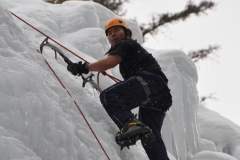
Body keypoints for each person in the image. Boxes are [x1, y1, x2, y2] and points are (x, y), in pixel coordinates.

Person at [67, 17, 172, 160]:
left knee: (108, 95)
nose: (113, 35)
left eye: (116, 30)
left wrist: (84, 67)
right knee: (149, 136)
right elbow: (163, 81)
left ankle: (130, 123)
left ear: (126, 32)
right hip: (160, 96)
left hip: (150, 82)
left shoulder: (126, 43)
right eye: (109, 33)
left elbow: (107, 63)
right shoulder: (131, 54)